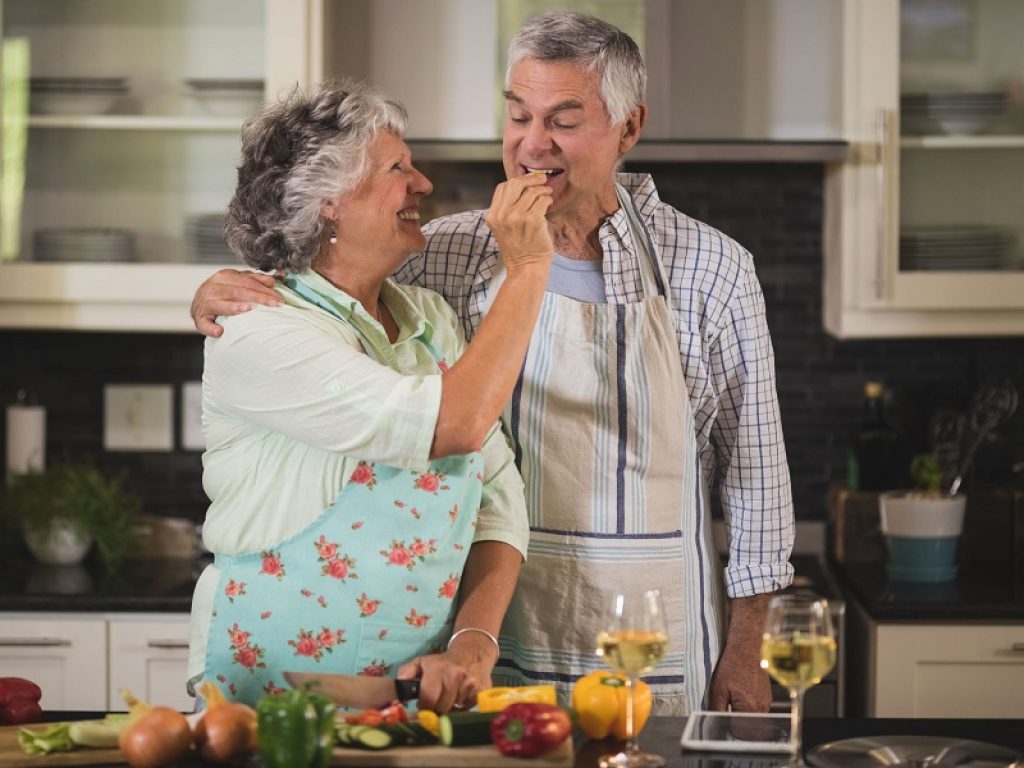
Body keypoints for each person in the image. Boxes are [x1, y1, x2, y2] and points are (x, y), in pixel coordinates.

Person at [191, 12, 794, 715]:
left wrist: (748, 652)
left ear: (628, 130)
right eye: (518, 114)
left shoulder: (712, 271)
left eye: (564, 120)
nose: (533, 143)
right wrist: (212, 286)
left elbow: (756, 484)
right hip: (487, 650)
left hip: (649, 642)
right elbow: (325, 292)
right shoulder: (443, 254)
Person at [188, 78, 556, 711]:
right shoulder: (257, 329)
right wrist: (526, 268)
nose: (423, 184)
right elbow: (453, 426)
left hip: (416, 697)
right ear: (329, 201)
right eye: (398, 168)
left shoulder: (431, 319)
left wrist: (474, 644)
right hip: (269, 696)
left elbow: (495, 494)